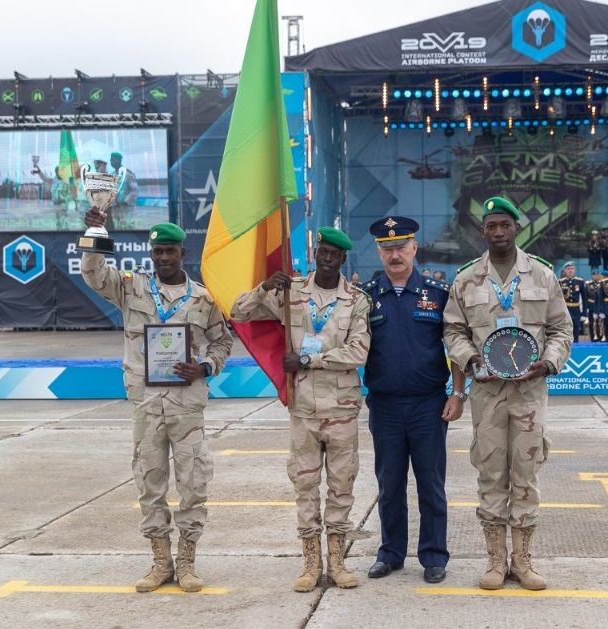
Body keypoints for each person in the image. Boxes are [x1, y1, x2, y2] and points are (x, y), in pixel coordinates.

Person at [80, 209, 233, 593]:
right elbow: (94, 274)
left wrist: (205, 367)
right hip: (147, 404)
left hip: (186, 405)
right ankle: (161, 561)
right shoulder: (131, 287)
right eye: (157, 251)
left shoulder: (204, 298)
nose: (163, 257)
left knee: (194, 482)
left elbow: (222, 341)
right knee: (149, 482)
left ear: (183, 253)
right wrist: (95, 230)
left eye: (170, 251)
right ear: (151, 254)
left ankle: (187, 562)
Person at [230, 227, 371, 592]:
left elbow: (358, 352)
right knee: (305, 486)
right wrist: (264, 288)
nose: (328, 259)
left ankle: (337, 562)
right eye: (323, 252)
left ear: (343, 259)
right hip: (303, 409)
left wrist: (308, 359)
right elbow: (238, 312)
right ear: (315, 253)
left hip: (341, 410)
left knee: (341, 487)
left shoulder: (357, 300)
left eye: (335, 255)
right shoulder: (291, 291)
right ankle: (311, 564)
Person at [443, 196, 573, 591]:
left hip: (529, 393)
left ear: (517, 228)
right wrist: (472, 361)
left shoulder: (542, 276)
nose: (498, 232)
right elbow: (453, 330)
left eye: (505, 225)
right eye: (491, 226)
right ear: (482, 231)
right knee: (491, 474)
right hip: (487, 395)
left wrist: (548, 363)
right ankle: (496, 561)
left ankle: (524, 561)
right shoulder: (466, 279)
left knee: (526, 475)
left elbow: (561, 329)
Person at [360, 216, 466, 585]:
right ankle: (390, 554)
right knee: (389, 486)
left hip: (429, 406)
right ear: (379, 251)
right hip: (385, 406)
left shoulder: (438, 294)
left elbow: (456, 345)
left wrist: (458, 394)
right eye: (387, 248)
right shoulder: (365, 298)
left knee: (431, 485)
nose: (395, 254)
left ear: (414, 248)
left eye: (401, 247)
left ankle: (434, 556)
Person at [110, 152, 140, 229]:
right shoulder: (111, 175)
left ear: (119, 160)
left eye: (113, 160)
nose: (111, 161)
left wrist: (125, 201)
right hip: (115, 209)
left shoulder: (128, 174)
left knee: (128, 229)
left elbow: (134, 191)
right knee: (117, 229)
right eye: (111, 160)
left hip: (126, 209)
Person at [559, 261, 585, 343]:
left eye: (572, 269)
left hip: (576, 309)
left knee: (576, 329)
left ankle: (576, 345)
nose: (570, 271)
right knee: (565, 329)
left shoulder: (580, 281)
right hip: (565, 309)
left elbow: (584, 298)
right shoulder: (560, 282)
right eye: (568, 269)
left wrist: (584, 314)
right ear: (565, 270)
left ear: (574, 270)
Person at [584, 269, 604, 342]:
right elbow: (585, 297)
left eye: (597, 275)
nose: (596, 276)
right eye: (594, 275)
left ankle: (601, 337)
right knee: (592, 323)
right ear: (592, 276)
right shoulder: (588, 284)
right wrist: (586, 307)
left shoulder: (602, 284)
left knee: (600, 322)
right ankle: (593, 338)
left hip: (600, 306)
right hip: (591, 306)